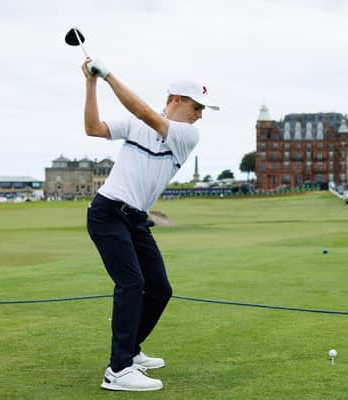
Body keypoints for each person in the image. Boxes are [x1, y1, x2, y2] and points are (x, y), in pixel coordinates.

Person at [81, 57, 219, 391]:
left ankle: (130, 351)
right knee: (131, 283)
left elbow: (145, 113)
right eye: (196, 107)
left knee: (159, 288)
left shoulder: (188, 135)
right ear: (176, 100)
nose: (200, 115)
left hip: (136, 219)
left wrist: (109, 73)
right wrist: (92, 83)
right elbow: (93, 128)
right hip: (107, 212)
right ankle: (118, 369)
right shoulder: (136, 125)